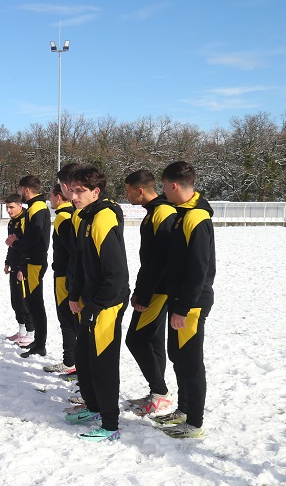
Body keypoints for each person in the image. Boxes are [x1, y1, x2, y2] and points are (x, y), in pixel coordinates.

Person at [64, 166, 129, 442]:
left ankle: (110, 424)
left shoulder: (103, 219)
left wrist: (94, 306)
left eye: (80, 191)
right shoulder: (85, 216)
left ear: (95, 192)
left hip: (107, 304)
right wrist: (75, 294)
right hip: (90, 300)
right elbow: (81, 261)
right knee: (84, 357)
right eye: (73, 190)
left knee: (103, 363)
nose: (74, 196)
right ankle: (93, 407)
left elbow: (116, 275)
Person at [151, 161, 216, 439]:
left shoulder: (195, 218)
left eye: (164, 186)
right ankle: (184, 409)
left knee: (190, 361)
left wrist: (183, 307)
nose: (163, 192)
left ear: (174, 185)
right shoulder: (184, 213)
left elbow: (199, 269)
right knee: (178, 356)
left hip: (191, 303)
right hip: (180, 300)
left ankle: (195, 423)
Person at [123, 170, 176, 416]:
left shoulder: (163, 212)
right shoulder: (154, 212)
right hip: (155, 288)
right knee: (153, 340)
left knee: (135, 339)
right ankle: (158, 393)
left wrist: (143, 295)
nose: (127, 194)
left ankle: (160, 392)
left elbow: (161, 261)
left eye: (128, 190)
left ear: (140, 190)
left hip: (158, 290)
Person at [6, 175, 51, 358]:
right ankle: (37, 342)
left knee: (35, 304)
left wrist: (16, 244)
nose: (19, 193)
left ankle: (39, 343)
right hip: (29, 261)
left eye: (19, 189)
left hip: (35, 262)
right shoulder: (34, 207)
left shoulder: (37, 208)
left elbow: (36, 239)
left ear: (26, 189)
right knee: (32, 302)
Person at [43, 183, 78, 374]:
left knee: (66, 319)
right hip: (68, 276)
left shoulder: (63, 217)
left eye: (50, 195)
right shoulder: (70, 214)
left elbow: (71, 251)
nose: (49, 199)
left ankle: (70, 362)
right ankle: (71, 361)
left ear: (59, 196)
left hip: (65, 277)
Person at [3, 194, 33, 343]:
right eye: (7, 207)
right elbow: (11, 244)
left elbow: (27, 247)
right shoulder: (12, 221)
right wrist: (8, 262)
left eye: (11, 207)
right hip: (14, 265)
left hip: (23, 267)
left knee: (24, 300)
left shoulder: (25, 220)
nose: (8, 210)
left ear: (20, 206)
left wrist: (23, 267)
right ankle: (21, 331)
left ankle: (31, 332)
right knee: (15, 300)